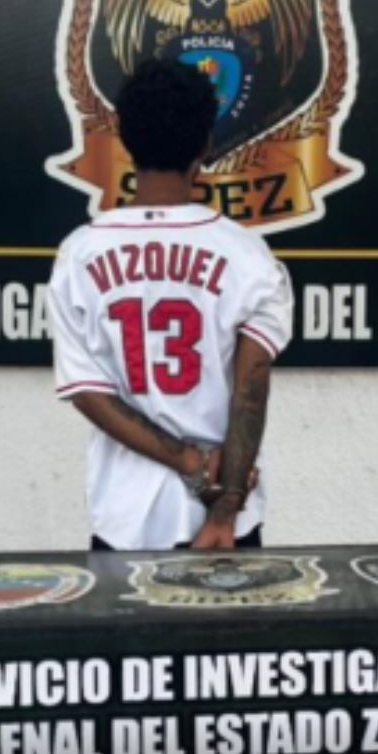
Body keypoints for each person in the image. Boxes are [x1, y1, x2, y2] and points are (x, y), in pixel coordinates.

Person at [48, 59, 294, 551]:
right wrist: (225, 508)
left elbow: (88, 394)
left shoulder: (80, 254)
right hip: (224, 517)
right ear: (205, 144)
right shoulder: (246, 254)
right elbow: (251, 391)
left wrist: (190, 462)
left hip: (124, 519)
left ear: (124, 139)